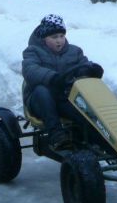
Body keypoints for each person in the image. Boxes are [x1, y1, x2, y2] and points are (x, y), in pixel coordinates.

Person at [21, 14, 104, 149]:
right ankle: (56, 135)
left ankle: (100, 139)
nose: (59, 40)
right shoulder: (33, 51)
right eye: (54, 37)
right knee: (42, 92)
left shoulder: (74, 51)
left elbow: (82, 66)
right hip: (39, 100)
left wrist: (90, 70)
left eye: (61, 36)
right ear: (43, 38)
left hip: (65, 98)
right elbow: (30, 70)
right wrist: (53, 78)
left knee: (83, 110)